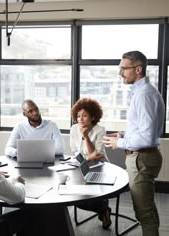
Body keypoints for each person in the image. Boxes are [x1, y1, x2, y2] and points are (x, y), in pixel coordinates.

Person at [103, 51, 165, 236]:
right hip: (144, 156)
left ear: (138, 69)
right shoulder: (145, 92)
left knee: (143, 213)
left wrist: (120, 142)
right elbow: (145, 129)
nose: (120, 73)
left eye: (124, 68)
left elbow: (146, 137)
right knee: (148, 208)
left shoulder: (144, 95)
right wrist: (125, 134)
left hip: (141, 158)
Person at [70, 97, 111, 229]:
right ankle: (104, 209)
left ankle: (103, 209)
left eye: (85, 116)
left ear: (93, 117)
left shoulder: (99, 130)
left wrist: (86, 137)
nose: (80, 119)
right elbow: (75, 152)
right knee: (76, 196)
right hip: (81, 166)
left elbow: (97, 155)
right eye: (78, 116)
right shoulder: (74, 129)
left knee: (94, 192)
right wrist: (88, 157)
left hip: (99, 167)